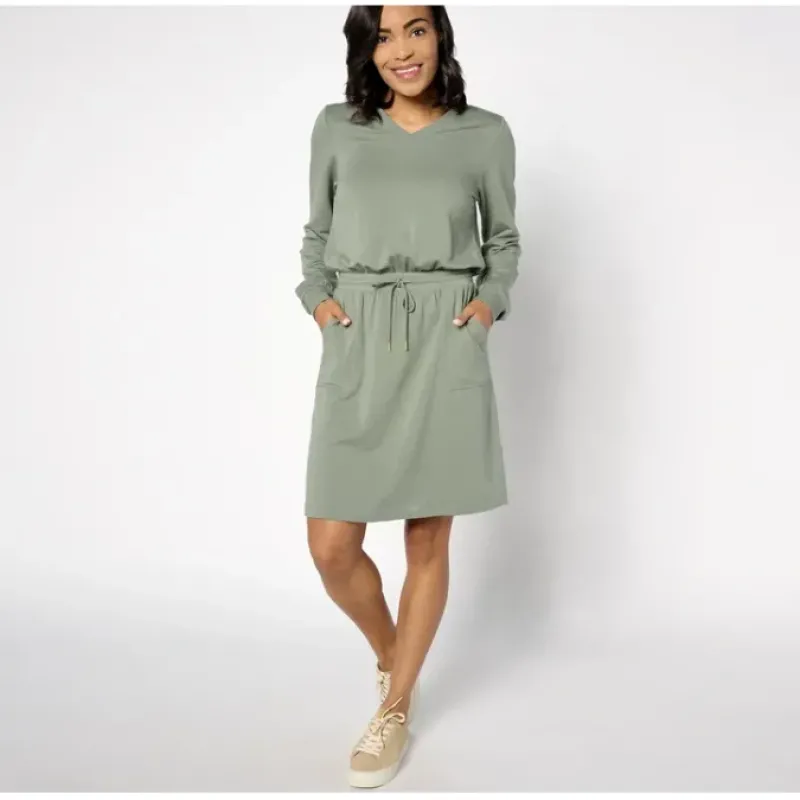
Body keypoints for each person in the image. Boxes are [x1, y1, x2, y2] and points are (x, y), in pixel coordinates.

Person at [294, 4, 521, 789]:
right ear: (366, 49)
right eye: (383, 35)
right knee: (331, 545)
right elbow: (317, 233)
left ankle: (393, 709)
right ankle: (397, 657)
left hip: (444, 337)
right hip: (359, 331)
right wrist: (318, 301)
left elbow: (503, 241)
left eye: (415, 29)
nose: (402, 50)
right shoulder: (337, 127)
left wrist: (485, 306)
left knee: (426, 539)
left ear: (440, 36)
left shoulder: (484, 134)